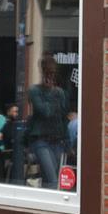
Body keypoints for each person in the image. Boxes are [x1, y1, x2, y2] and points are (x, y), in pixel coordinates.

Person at [26, 54, 69, 189]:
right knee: (53, 180)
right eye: (48, 72)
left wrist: (67, 142)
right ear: (42, 72)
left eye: (53, 73)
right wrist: (50, 92)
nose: (50, 76)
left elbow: (63, 117)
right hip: (41, 140)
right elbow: (45, 112)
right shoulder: (34, 91)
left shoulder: (60, 92)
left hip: (57, 140)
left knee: (48, 177)